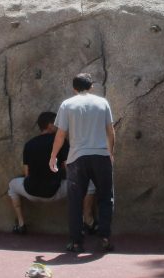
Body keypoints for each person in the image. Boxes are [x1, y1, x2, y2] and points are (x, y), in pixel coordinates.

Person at [49, 73, 116, 252]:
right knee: (105, 198)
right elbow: (111, 131)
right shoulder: (103, 103)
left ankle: (76, 241)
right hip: (101, 155)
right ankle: (104, 238)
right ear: (91, 86)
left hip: (76, 158)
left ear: (74, 88)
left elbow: (61, 134)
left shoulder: (67, 104)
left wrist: (53, 155)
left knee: (75, 200)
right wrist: (110, 153)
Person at [7, 112, 97, 235]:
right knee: (90, 184)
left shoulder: (29, 144)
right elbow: (68, 168)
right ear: (50, 125)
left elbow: (26, 173)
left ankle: (21, 224)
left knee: (12, 185)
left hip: (30, 190)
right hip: (54, 191)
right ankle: (88, 220)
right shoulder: (60, 141)